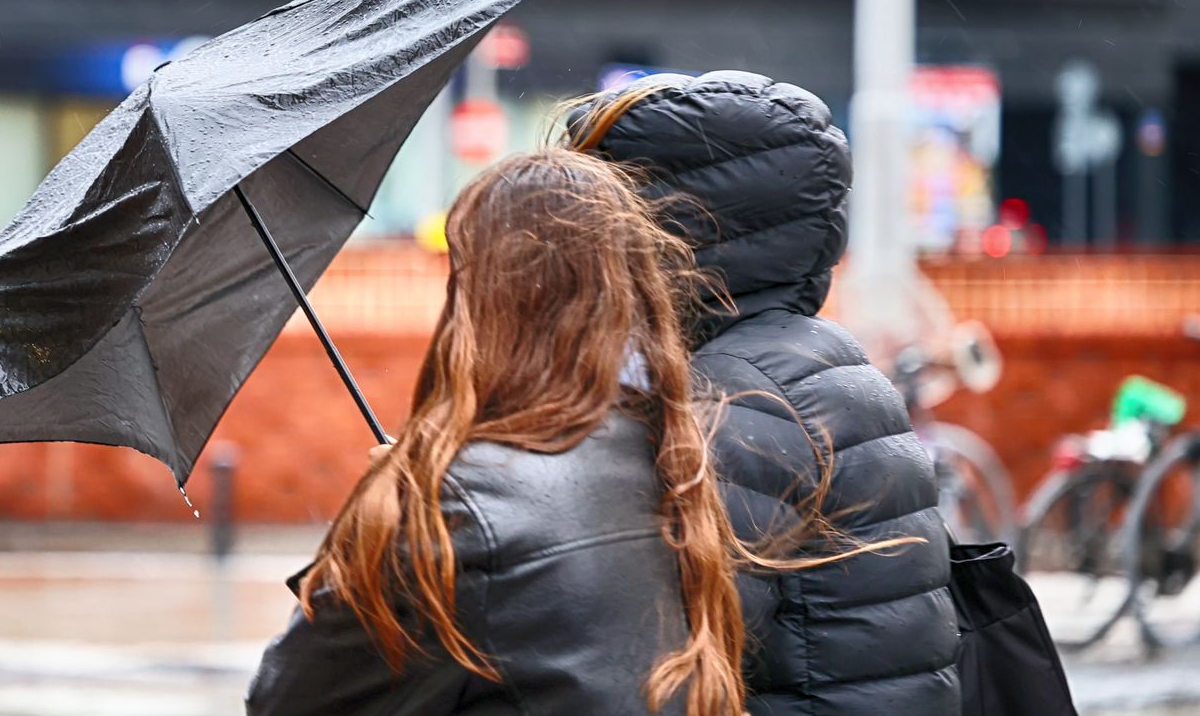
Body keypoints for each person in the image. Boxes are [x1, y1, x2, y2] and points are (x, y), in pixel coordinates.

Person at [246, 149, 909, 716]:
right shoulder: (673, 454)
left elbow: (288, 700)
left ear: (483, 298)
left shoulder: (450, 504)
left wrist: (382, 519)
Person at [565, 70, 960, 714]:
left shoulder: (739, 400)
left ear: (667, 229)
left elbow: (665, 647)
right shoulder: (801, 357)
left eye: (593, 212)